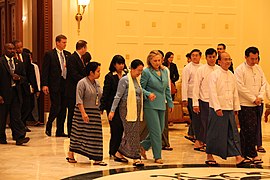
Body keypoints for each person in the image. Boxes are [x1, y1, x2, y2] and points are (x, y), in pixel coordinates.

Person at [206, 52, 252, 168]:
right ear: (219, 61)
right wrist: (217, 107)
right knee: (215, 133)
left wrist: (236, 108)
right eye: (225, 59)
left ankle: (238, 156)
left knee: (233, 133)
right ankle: (209, 156)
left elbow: (234, 93)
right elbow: (212, 92)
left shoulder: (231, 74)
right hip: (218, 109)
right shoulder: (214, 75)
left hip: (229, 108)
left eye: (229, 59)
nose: (227, 62)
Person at [67, 62, 107, 166]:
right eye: (98, 71)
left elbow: (100, 96)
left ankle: (97, 157)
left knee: (96, 136)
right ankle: (71, 154)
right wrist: (83, 113)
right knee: (78, 134)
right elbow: (79, 99)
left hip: (95, 112)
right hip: (82, 112)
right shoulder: (82, 83)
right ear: (91, 72)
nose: (99, 73)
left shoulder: (97, 83)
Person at [108, 59, 145, 167]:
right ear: (132, 69)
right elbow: (118, 96)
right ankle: (136, 157)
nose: (139, 73)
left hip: (136, 109)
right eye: (138, 70)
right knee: (131, 132)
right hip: (126, 109)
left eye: (141, 71)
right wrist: (112, 110)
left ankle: (119, 151)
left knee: (134, 132)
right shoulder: (124, 80)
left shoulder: (136, 80)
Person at [140, 50, 174, 164]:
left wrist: (170, 102)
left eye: (159, 60)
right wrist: (148, 94)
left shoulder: (164, 71)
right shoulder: (146, 72)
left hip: (161, 104)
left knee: (160, 131)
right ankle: (157, 156)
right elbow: (140, 88)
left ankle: (143, 146)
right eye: (155, 61)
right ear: (150, 61)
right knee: (155, 131)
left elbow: (167, 88)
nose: (157, 63)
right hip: (150, 105)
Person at [235, 47, 266, 164]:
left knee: (254, 129)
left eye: (256, 58)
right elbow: (240, 87)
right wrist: (253, 99)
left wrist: (260, 97)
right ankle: (250, 154)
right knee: (246, 130)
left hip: (257, 104)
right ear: (246, 57)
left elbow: (264, 84)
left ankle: (247, 152)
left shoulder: (258, 68)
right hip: (245, 104)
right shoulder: (240, 70)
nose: (254, 61)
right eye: (252, 58)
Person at [0, 43, 30, 145]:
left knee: (16, 116)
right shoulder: (1, 62)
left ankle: (19, 137)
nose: (12, 51)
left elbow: (25, 77)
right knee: (2, 117)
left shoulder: (18, 63)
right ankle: (1, 138)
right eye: (10, 49)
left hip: (15, 93)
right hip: (3, 94)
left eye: (13, 49)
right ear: (4, 50)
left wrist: (19, 78)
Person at [42, 34, 71, 137]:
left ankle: (60, 130)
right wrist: (44, 84)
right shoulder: (50, 54)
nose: (65, 44)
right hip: (54, 84)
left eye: (66, 42)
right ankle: (49, 125)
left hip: (65, 84)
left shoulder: (67, 54)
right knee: (56, 107)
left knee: (63, 108)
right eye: (63, 42)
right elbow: (45, 70)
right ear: (57, 42)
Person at [100, 55, 127, 159]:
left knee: (122, 129)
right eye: (119, 63)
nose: (121, 66)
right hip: (112, 107)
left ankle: (117, 150)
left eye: (122, 63)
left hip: (123, 107)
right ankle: (114, 151)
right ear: (114, 64)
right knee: (116, 128)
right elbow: (106, 93)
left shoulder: (126, 75)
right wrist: (102, 107)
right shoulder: (110, 76)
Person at [192, 48, 219, 145]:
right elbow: (196, 87)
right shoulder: (201, 70)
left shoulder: (219, 69)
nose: (212, 59)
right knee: (205, 123)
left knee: (215, 123)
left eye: (213, 57)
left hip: (216, 102)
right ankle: (203, 141)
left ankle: (213, 142)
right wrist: (195, 103)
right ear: (206, 57)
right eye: (210, 57)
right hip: (204, 100)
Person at [13, 40, 38, 132]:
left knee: (28, 106)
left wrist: (33, 86)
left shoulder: (26, 56)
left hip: (26, 85)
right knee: (18, 106)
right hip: (16, 86)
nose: (20, 49)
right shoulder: (12, 57)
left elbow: (30, 72)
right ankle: (19, 126)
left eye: (21, 47)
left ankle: (23, 123)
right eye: (18, 47)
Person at [182, 49, 203, 151]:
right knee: (195, 117)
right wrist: (184, 98)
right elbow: (185, 83)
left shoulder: (203, 67)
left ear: (200, 57)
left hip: (201, 96)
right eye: (193, 55)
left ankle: (194, 135)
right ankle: (197, 136)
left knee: (199, 118)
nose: (195, 57)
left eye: (196, 55)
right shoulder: (188, 68)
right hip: (190, 96)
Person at [66, 40, 88, 137]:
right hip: (72, 89)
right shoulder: (72, 58)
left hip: (77, 88)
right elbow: (73, 73)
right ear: (83, 48)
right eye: (86, 48)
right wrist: (85, 80)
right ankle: (70, 132)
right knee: (71, 111)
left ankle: (76, 131)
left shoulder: (80, 58)